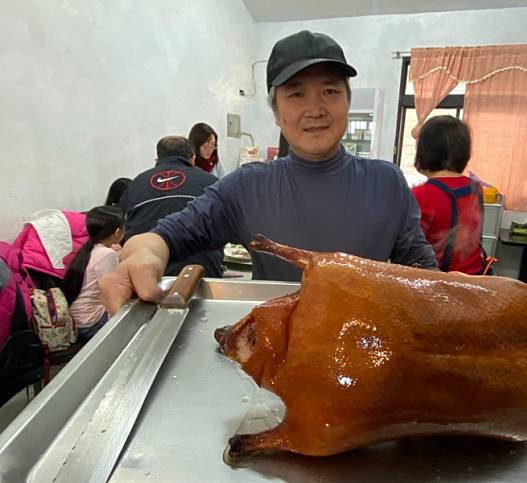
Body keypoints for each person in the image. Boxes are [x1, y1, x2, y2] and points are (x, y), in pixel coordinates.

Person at [100, 30, 437, 314]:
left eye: (330, 91)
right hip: (274, 353)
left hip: (364, 348)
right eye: (296, 94)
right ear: (276, 112)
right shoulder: (246, 186)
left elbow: (424, 273)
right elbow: (167, 236)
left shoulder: (386, 181)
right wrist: (142, 254)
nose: (315, 109)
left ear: (347, 101)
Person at [118, 136, 223, 278]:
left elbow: (121, 231)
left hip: (147, 275)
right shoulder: (210, 181)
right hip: (201, 273)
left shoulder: (136, 184)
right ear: (192, 158)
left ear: (158, 158)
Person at [412, 116, 485, 274]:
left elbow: (410, 249)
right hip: (474, 279)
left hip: (440, 284)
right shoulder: (475, 188)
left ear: (425, 151)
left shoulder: (422, 195)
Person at [61, 206, 124, 340]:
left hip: (76, 320)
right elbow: (111, 294)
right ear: (118, 232)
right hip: (90, 323)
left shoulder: (90, 250)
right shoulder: (108, 254)